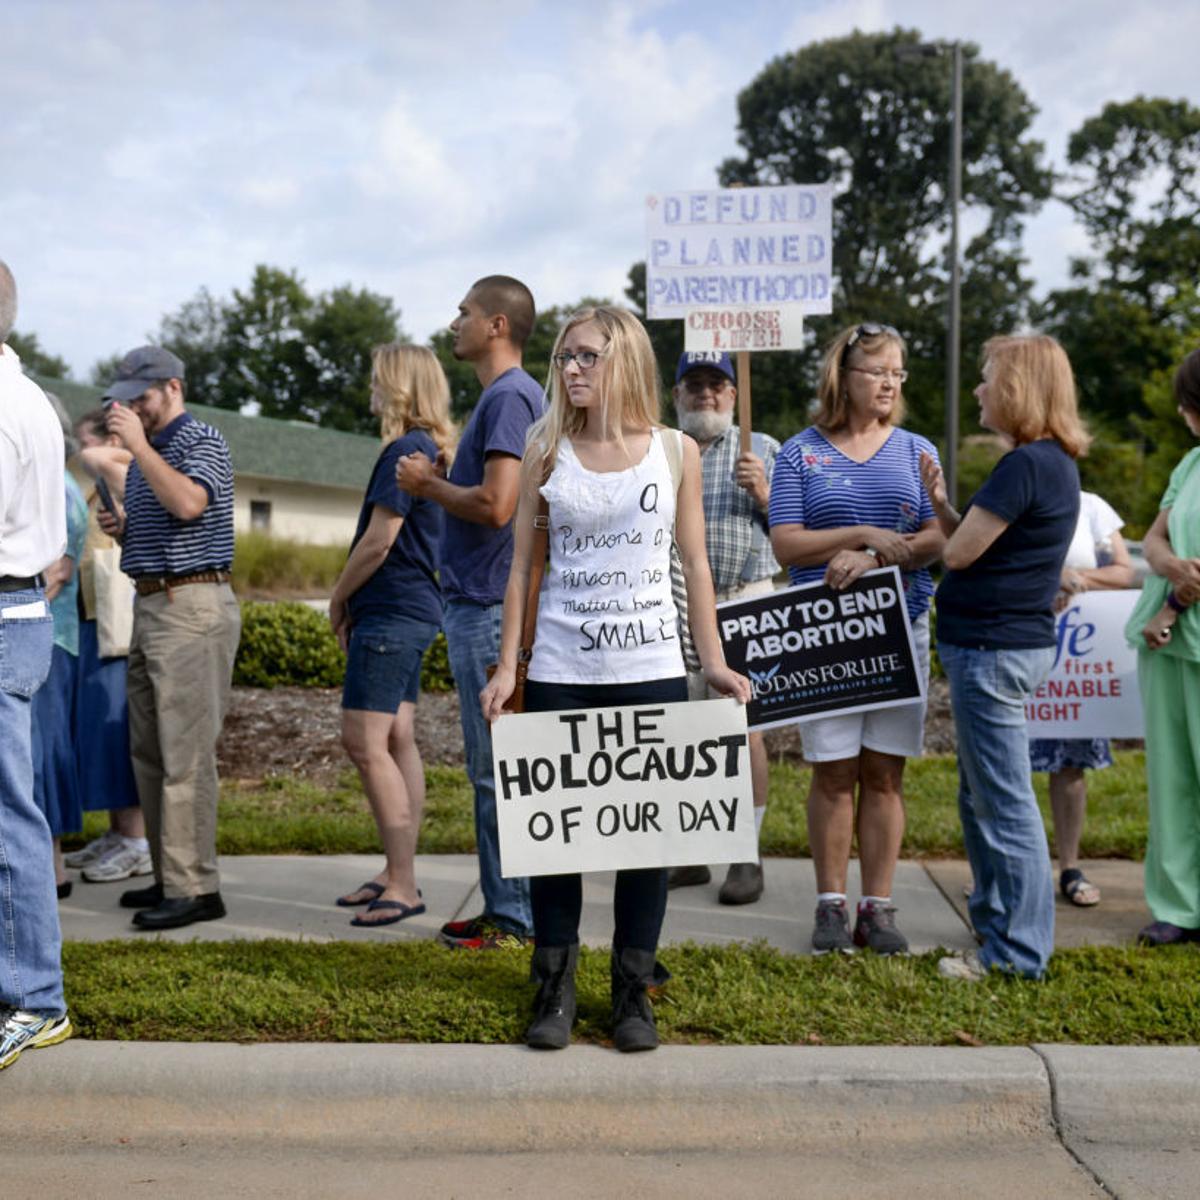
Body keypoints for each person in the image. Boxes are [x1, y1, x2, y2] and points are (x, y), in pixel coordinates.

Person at [481, 305, 751, 1053]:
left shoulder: (674, 453)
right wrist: (510, 666)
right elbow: (523, 569)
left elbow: (694, 564)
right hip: (564, 670)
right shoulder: (544, 447)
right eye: (565, 357)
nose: (570, 369)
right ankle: (555, 988)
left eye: (587, 357)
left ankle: (632, 993)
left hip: (652, 667)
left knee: (649, 846)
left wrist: (716, 661)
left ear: (624, 360)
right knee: (556, 845)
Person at [769, 323, 945, 956]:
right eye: (878, 371)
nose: (891, 383)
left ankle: (878, 906)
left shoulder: (917, 451)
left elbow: (937, 537)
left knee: (884, 773)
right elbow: (785, 541)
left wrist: (873, 557)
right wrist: (864, 532)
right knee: (834, 772)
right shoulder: (799, 453)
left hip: (900, 628)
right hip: (826, 636)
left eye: (899, 372)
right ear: (843, 377)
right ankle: (829, 905)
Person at [924, 334, 1087, 982]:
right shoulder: (1052, 463)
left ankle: (1017, 955)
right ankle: (994, 923)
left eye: (989, 378)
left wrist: (938, 525)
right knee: (981, 796)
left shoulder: (1024, 465)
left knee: (1004, 804)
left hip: (991, 651)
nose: (979, 390)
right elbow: (978, 538)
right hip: (1006, 647)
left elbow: (960, 553)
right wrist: (940, 503)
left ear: (1019, 387)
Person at [396, 276, 543, 950]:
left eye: (464, 313)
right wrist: (453, 476)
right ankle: (512, 908)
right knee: (502, 767)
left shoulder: (509, 396)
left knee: (496, 771)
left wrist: (429, 485)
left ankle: (513, 918)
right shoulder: (511, 398)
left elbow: (499, 505)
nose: (453, 323)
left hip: (485, 606)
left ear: (496, 327)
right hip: (485, 603)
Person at [98, 346, 241, 931]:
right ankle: (171, 876)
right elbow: (170, 515)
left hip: (192, 607)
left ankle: (196, 888)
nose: (132, 405)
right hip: (155, 603)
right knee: (151, 754)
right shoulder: (154, 450)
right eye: (126, 395)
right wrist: (126, 526)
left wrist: (135, 448)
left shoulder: (201, 439)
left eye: (142, 395)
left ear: (174, 387)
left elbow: (189, 502)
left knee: (184, 755)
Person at [330, 344, 454, 926]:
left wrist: (337, 597)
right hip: (415, 609)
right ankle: (394, 869)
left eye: (380, 382)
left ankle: (403, 883)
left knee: (364, 742)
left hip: (390, 612)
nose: (372, 391)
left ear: (402, 387)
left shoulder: (405, 450)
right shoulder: (429, 449)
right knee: (398, 736)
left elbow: (380, 541)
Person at [666, 351, 779, 905]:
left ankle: (745, 854)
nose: (706, 394)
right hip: (679, 604)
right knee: (682, 728)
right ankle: (690, 853)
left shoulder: (763, 449)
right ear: (677, 394)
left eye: (718, 385)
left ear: (735, 395)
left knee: (744, 729)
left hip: (744, 599)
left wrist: (765, 494)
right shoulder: (665, 449)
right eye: (695, 385)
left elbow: (793, 537)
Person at [0, 259, 71, 1070]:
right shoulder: (29, 397)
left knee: (8, 812)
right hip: (21, 607)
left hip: (5, 610)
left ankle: (35, 998)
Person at [1125, 346, 1200, 946]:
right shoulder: (1190, 464)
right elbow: (1152, 537)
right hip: (1167, 646)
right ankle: (1177, 907)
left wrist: (1173, 604)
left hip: (1174, 626)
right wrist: (1169, 565)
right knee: (1172, 782)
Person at [1028, 492, 1136, 907]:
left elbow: (1123, 572)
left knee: (1072, 765)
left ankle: (1069, 867)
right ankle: (1004, 870)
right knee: (1005, 765)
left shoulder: (1092, 507)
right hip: (1016, 644)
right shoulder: (1011, 493)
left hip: (1075, 657)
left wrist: (1080, 579)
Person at [64, 409, 149, 882]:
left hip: (116, 626)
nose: (79, 452)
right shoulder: (99, 486)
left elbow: (103, 456)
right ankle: (120, 832)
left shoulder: (121, 473)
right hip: (93, 619)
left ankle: (137, 839)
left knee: (118, 732)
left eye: (83, 441)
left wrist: (107, 443)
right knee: (99, 731)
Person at [30, 395, 88, 898]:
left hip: (48, 640)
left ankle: (52, 872)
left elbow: (52, 574)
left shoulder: (60, 493)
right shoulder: (60, 489)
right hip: (52, 640)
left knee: (41, 753)